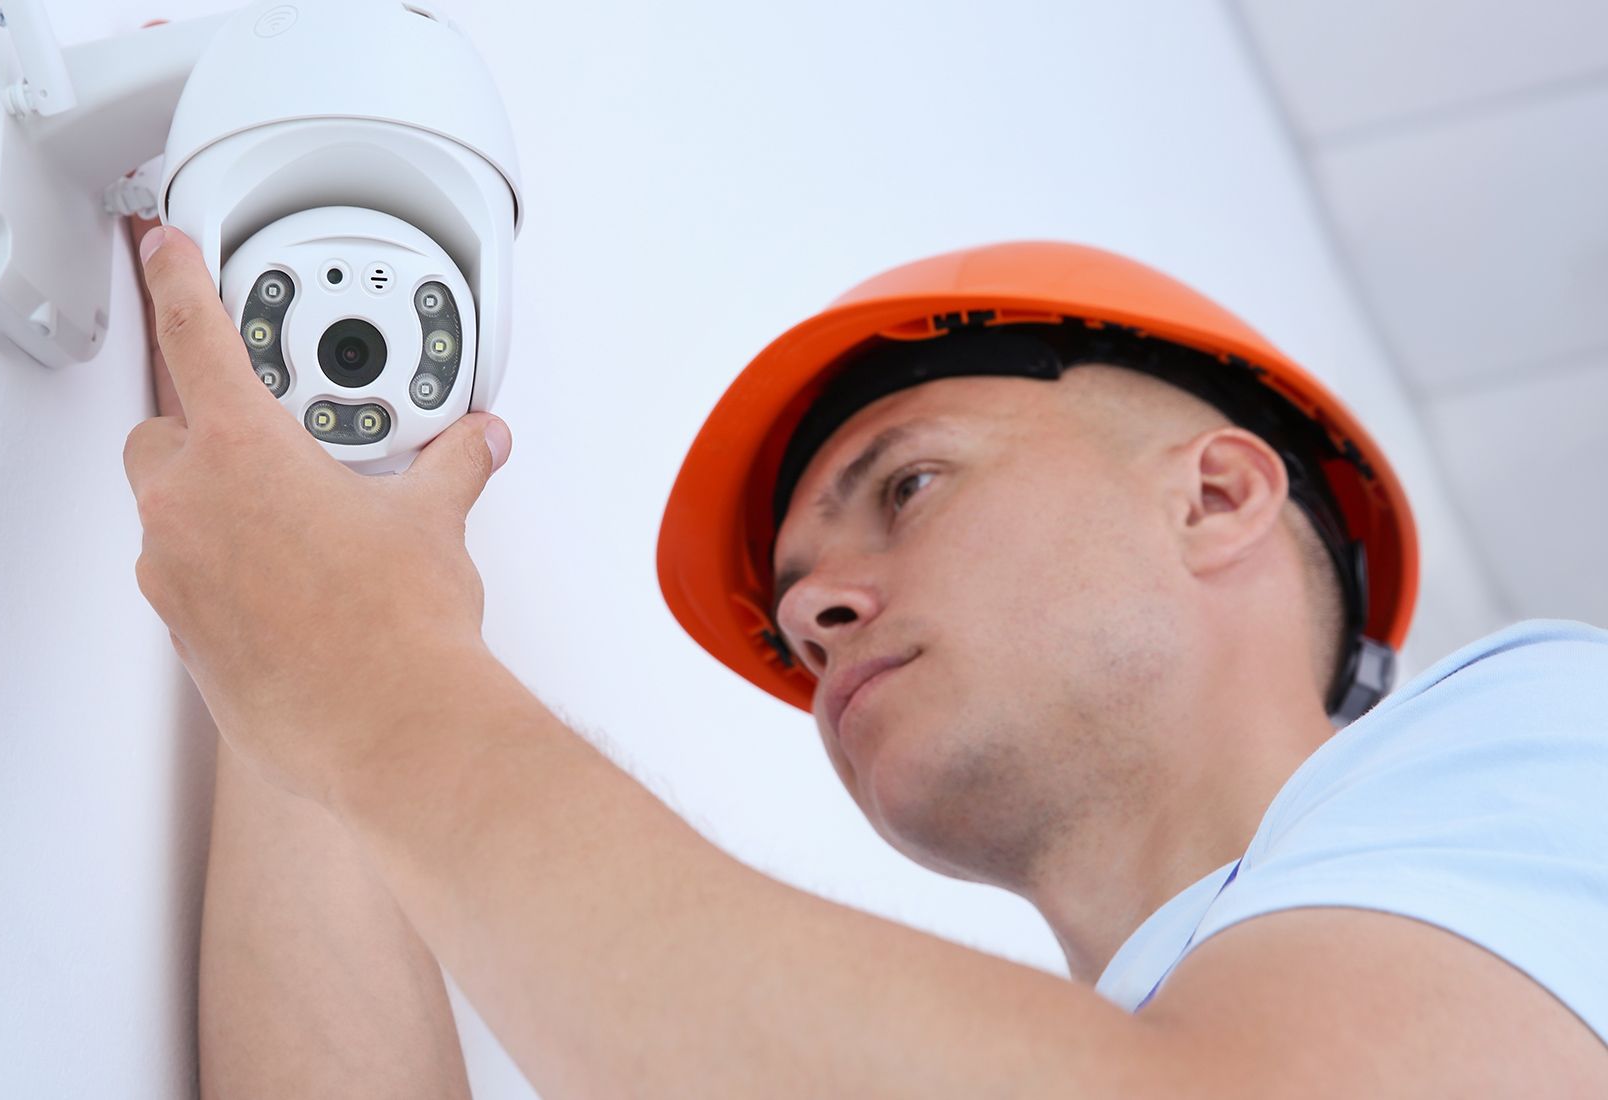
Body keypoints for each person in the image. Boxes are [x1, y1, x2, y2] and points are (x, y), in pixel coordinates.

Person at [120, 204, 1608, 1094]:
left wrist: (386, 692)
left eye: (907, 485)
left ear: (1214, 495)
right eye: (793, 613)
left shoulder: (1553, 729)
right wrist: (301, 653)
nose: (817, 613)